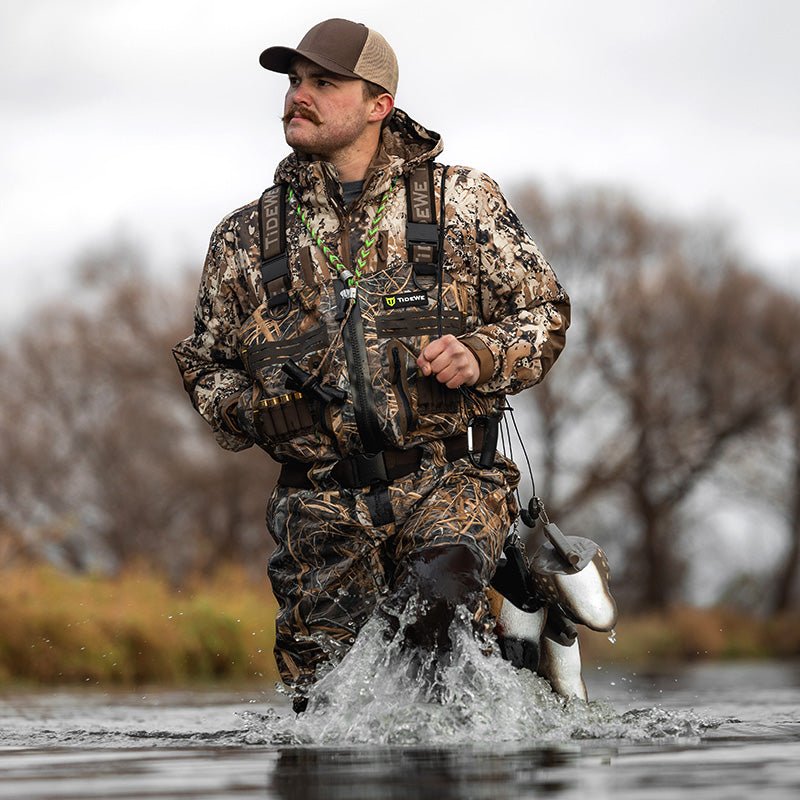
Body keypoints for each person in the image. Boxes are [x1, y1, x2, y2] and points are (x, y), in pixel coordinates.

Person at [173, 18, 570, 711]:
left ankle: (523, 620)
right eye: (295, 81)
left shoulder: (460, 202)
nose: (299, 95)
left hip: (448, 482)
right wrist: (248, 408)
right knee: (325, 712)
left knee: (434, 611)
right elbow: (206, 367)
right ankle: (518, 624)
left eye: (324, 82)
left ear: (378, 104)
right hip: (317, 507)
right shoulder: (241, 238)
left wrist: (481, 354)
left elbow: (544, 313)